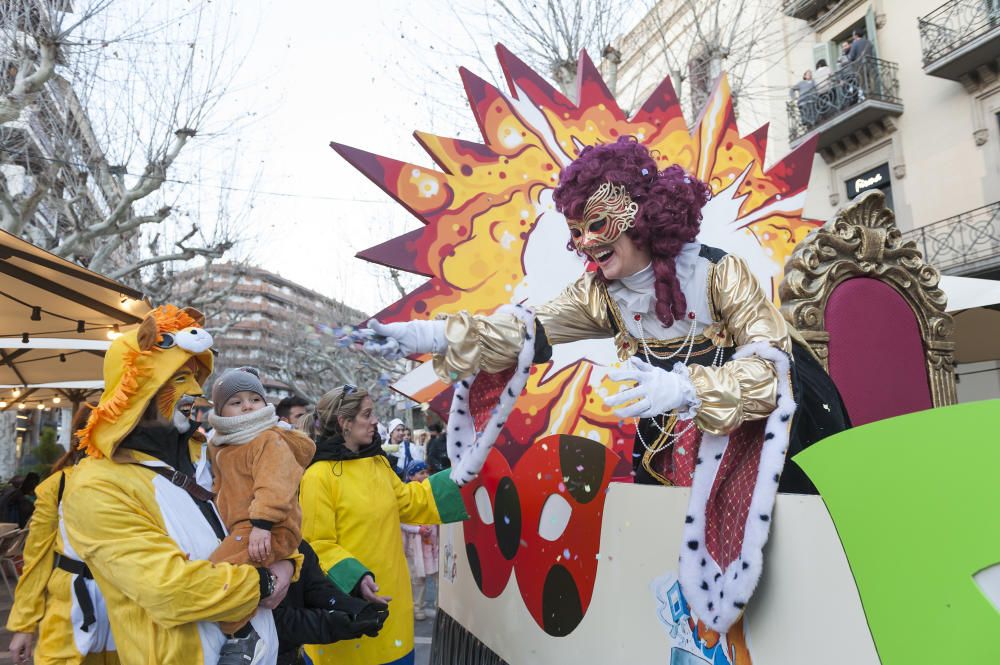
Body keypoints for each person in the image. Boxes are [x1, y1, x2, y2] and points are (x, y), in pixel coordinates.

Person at [365, 137, 849, 635]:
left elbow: (770, 371)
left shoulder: (716, 272)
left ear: (642, 216)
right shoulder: (603, 294)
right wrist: (430, 334)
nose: (586, 243)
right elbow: (524, 331)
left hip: (762, 436)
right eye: (576, 232)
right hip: (666, 441)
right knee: (672, 559)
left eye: (597, 223)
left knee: (775, 587)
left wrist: (688, 391)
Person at [63, 304, 300, 664]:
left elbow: (257, 526)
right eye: (177, 379)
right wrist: (265, 582)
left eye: (194, 377)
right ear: (140, 389)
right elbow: (169, 590)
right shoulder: (97, 486)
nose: (195, 392)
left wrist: (289, 565)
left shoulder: (210, 460)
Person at [298, 384, 469, 665]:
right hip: (349, 609)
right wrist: (356, 578)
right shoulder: (317, 476)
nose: (375, 420)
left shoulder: (377, 462)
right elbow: (317, 545)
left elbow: (410, 501)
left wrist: (463, 476)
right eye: (367, 414)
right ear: (345, 423)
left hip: (393, 608)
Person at [207, 367, 316, 662]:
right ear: (220, 409)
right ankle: (239, 630)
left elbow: (275, 485)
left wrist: (263, 524)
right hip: (243, 527)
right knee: (223, 575)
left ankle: (242, 635)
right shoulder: (220, 444)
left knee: (217, 575)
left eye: (254, 399)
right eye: (237, 401)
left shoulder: (268, 439)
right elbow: (219, 486)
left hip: (270, 526)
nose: (247, 406)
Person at [6, 406, 118, 665]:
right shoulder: (58, 485)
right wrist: (25, 625)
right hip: (67, 609)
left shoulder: (139, 482)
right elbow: (36, 558)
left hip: (124, 608)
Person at [273, 540, 389, 665]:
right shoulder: (252, 554)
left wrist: (355, 608)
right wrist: (333, 625)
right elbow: (273, 622)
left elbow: (315, 588)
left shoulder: (294, 543)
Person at [400, 461, 439, 622]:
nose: (425, 476)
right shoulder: (406, 494)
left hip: (432, 541)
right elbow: (400, 520)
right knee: (418, 579)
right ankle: (418, 608)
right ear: (411, 476)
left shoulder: (431, 491)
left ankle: (440, 606)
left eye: (426, 472)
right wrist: (417, 529)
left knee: (438, 576)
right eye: (420, 473)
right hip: (415, 543)